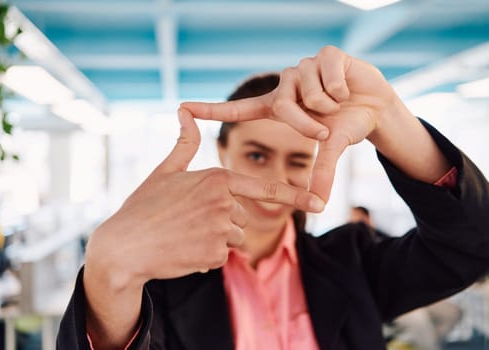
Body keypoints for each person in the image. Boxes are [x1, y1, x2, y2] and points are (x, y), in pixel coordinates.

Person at [57, 46, 489, 350]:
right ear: (224, 150)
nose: (275, 177)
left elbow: (469, 245)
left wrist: (391, 116)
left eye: (298, 159)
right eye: (257, 154)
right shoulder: (159, 285)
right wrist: (108, 274)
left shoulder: (354, 260)